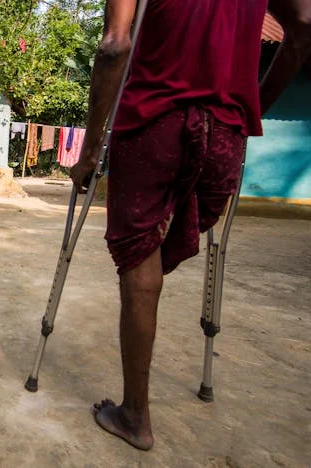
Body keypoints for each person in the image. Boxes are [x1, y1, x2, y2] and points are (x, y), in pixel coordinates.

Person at [68, 0, 311, 451]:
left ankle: (135, 416)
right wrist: (252, 108)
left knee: (140, 255)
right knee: (154, 250)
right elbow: (305, 24)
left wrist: (90, 149)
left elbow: (114, 46)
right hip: (225, 133)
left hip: (152, 122)